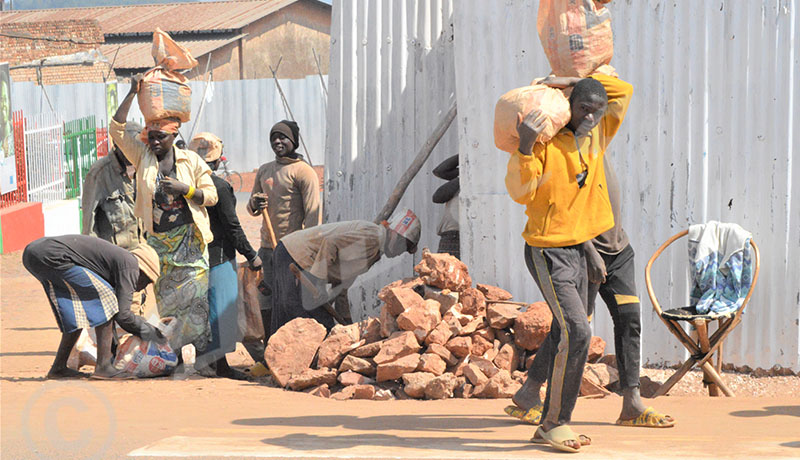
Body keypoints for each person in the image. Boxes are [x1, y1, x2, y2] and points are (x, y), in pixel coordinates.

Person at [504, 73, 633, 453]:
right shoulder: (545, 144)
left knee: (570, 332)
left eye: (596, 111)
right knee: (577, 331)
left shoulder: (597, 136)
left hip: (581, 249)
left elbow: (623, 91)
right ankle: (553, 423)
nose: (591, 118)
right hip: (548, 251)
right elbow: (520, 192)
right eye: (583, 110)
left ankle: (534, 402)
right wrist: (526, 146)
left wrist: (571, 79)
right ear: (570, 108)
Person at [505, 155, 675, 429]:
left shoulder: (597, 139)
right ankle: (530, 391)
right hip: (584, 253)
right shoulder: (565, 151)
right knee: (573, 327)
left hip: (619, 250)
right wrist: (589, 251)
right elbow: (564, 205)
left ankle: (632, 404)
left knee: (629, 319)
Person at [111, 74, 218, 355]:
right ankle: (176, 359)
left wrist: (185, 189)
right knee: (169, 307)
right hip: (159, 245)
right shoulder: (142, 156)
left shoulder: (191, 160)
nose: (155, 142)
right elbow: (117, 130)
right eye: (152, 136)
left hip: (191, 245)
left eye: (161, 137)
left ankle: (204, 359)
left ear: (174, 136)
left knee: (196, 305)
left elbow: (211, 196)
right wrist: (132, 93)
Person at [22, 235, 163, 379]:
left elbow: (113, 316)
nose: (141, 288)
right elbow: (123, 316)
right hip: (51, 255)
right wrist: (153, 334)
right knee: (106, 298)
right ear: (142, 271)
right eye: (146, 281)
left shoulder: (118, 263)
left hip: (36, 252)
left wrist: (115, 350)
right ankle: (103, 367)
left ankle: (58, 368)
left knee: (77, 314)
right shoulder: (130, 265)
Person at [271, 208, 421, 335]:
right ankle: (273, 363)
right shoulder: (372, 238)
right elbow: (330, 243)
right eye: (403, 245)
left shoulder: (374, 253)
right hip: (295, 254)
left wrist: (348, 325)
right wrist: (318, 281)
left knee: (319, 322)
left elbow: (342, 286)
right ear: (394, 233)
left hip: (307, 263)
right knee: (295, 311)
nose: (400, 252)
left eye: (405, 249)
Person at [244, 120, 321, 364]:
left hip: (292, 249)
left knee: (289, 301)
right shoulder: (265, 170)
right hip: (267, 249)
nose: (278, 141)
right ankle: (270, 352)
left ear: (294, 141)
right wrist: (256, 204)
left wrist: (309, 253)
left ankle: (295, 353)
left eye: (283, 137)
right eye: (274, 137)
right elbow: (251, 208)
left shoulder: (303, 172)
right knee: (265, 300)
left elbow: (313, 216)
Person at [189, 132, 262, 380]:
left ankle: (202, 361)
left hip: (191, 259)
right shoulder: (219, 187)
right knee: (222, 314)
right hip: (218, 258)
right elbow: (232, 227)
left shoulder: (185, 186)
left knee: (201, 313)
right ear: (218, 160)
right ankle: (220, 366)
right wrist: (251, 255)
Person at [82, 123, 146, 313]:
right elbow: (89, 225)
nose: (133, 153)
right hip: (113, 265)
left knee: (136, 315)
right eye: (128, 148)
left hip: (139, 262)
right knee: (123, 320)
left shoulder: (143, 169)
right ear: (117, 146)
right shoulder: (100, 173)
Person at [432, 154, 460, 259]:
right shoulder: (466, 176)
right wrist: (466, 153)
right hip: (450, 236)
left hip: (456, 237)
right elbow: (440, 171)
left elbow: (437, 197)